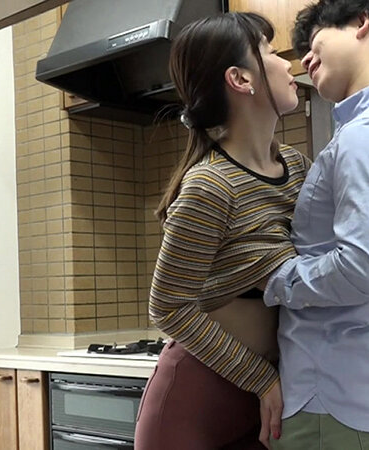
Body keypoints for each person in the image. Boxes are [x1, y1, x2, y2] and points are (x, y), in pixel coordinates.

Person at [259, 1, 369, 448]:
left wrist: (279, 278)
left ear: (360, 22)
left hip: (331, 393)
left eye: (315, 41)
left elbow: (365, 269)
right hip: (361, 392)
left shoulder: (366, 134)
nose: (305, 59)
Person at [134, 12, 310, 450]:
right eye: (270, 51)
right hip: (195, 404)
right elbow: (168, 307)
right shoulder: (211, 185)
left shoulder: (297, 168)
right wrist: (260, 378)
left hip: (263, 398)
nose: (286, 62)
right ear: (240, 79)